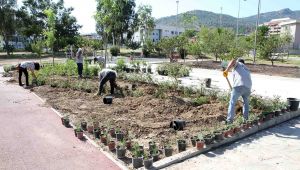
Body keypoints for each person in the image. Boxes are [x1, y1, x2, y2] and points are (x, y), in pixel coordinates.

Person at [223, 58, 252, 124]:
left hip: (239, 85)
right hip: (248, 88)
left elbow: (233, 60)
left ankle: (229, 121)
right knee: (246, 104)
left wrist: (226, 70)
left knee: (232, 102)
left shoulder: (238, 64)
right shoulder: (246, 69)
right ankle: (245, 120)